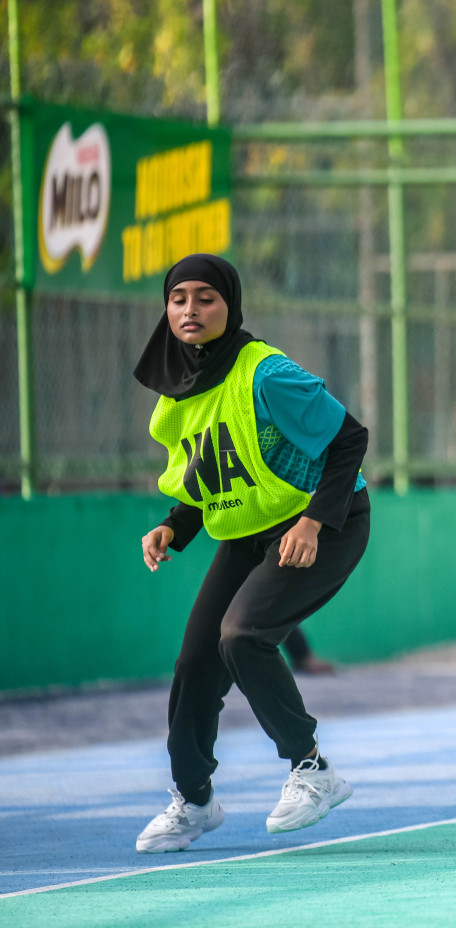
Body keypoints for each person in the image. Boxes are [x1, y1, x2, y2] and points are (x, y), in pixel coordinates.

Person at [132, 254, 370, 854]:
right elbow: (207, 474)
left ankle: (312, 769)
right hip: (250, 530)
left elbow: (351, 439)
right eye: (179, 297)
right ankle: (194, 800)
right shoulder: (176, 396)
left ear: (230, 307)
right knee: (194, 664)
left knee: (242, 635)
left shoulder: (266, 373)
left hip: (327, 520)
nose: (191, 309)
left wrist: (315, 521)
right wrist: (173, 526)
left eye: (206, 298)